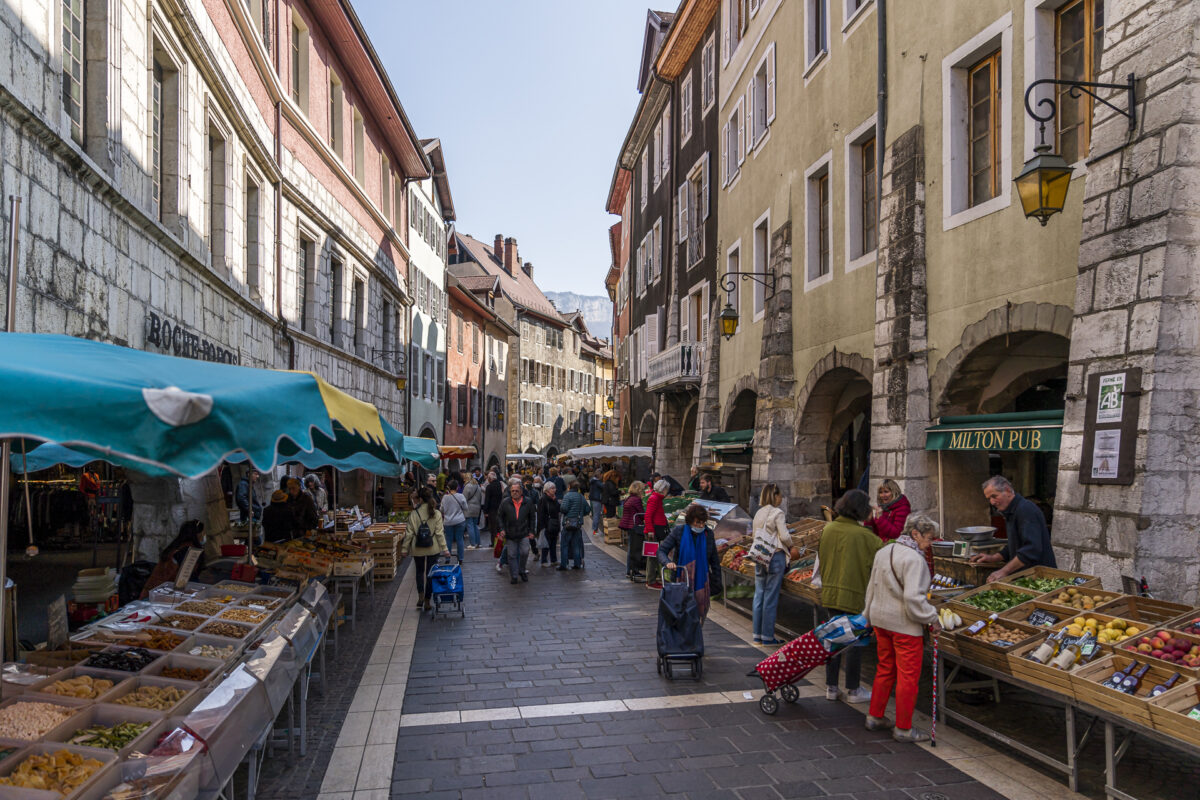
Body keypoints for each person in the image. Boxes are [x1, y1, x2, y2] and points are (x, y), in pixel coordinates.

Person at [863, 515, 942, 743]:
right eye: (929, 538)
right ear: (915, 534)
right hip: (904, 625)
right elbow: (914, 599)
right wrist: (932, 618)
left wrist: (867, 615)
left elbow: (872, 587)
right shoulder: (915, 560)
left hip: (880, 620)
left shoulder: (884, 551)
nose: (930, 544)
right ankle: (903, 728)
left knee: (885, 668)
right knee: (908, 677)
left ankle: (875, 716)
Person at [816, 489, 882, 703]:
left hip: (831, 592)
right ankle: (853, 689)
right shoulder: (866, 537)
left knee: (833, 638)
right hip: (855, 595)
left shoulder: (828, 529)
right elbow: (882, 560)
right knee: (855, 641)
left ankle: (831, 687)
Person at [969, 475, 1056, 581]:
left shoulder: (1025, 510)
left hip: (1041, 579)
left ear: (1008, 490)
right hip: (1026, 578)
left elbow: (1031, 549)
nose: (992, 502)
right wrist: (994, 558)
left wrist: (1003, 571)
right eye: (989, 499)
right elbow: (1015, 545)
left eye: (994, 496)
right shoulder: (1011, 511)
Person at [658, 504, 722, 621]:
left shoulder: (708, 534)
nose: (701, 526)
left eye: (703, 523)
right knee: (681, 617)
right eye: (697, 523)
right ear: (690, 521)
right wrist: (667, 562)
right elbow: (662, 550)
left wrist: (717, 582)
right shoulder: (679, 531)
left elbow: (714, 560)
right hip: (680, 583)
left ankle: (694, 636)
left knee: (698, 617)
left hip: (702, 583)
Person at [752, 483, 793, 646]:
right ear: (774, 496)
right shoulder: (778, 513)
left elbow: (755, 534)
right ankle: (768, 637)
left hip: (759, 556)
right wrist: (791, 544)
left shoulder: (759, 512)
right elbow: (784, 536)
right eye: (780, 495)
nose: (781, 498)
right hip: (775, 556)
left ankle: (757, 635)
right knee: (770, 597)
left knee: (759, 595)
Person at [401, 487, 449, 611]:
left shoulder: (414, 513)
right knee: (430, 573)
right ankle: (428, 600)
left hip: (417, 548)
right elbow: (439, 533)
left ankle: (420, 597)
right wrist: (445, 548)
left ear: (420, 499)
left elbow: (409, 533)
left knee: (419, 572)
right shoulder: (436, 513)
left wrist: (404, 549)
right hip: (433, 548)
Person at [140, 520, 207, 598]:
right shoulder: (189, 551)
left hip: (154, 590)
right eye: (203, 533)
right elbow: (184, 580)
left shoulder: (176, 546)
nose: (204, 536)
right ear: (197, 534)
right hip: (164, 594)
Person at [496, 478, 537, 584]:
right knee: (512, 555)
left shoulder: (528, 502)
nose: (515, 493)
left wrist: (532, 531)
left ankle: (522, 570)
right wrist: (502, 529)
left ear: (521, 492)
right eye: (513, 491)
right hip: (510, 533)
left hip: (524, 532)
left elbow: (532, 517)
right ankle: (514, 575)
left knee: (524, 552)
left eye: (517, 491)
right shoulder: (505, 502)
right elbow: (499, 517)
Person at [558, 478, 589, 570]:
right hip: (577, 524)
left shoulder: (567, 496)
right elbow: (588, 509)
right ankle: (577, 564)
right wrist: (580, 514)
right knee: (576, 544)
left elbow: (563, 509)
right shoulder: (581, 496)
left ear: (569, 487)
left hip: (568, 523)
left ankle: (564, 565)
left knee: (564, 545)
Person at [620, 481, 647, 580]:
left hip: (629, 526)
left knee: (631, 549)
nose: (643, 491)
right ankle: (634, 571)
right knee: (635, 550)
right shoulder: (636, 500)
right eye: (642, 489)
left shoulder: (629, 498)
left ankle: (629, 570)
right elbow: (641, 513)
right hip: (635, 527)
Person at [440, 479, 468, 561]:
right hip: (460, 520)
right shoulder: (461, 496)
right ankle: (461, 558)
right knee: (460, 539)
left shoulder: (445, 498)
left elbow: (441, 509)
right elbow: (466, 508)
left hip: (448, 521)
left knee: (448, 539)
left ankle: (447, 558)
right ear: (457, 487)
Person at [537, 482, 561, 567]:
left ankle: (554, 560)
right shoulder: (543, 499)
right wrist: (542, 527)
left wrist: (556, 501)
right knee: (546, 543)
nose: (554, 490)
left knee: (553, 543)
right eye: (552, 488)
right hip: (546, 524)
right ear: (547, 490)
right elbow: (540, 514)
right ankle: (544, 561)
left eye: (555, 488)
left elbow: (558, 510)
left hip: (554, 524)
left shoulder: (554, 498)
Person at [462, 474, 483, 550]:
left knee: (470, 526)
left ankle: (472, 544)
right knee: (475, 525)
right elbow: (481, 497)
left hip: (469, 508)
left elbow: (464, 499)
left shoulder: (467, 486)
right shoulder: (477, 486)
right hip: (477, 508)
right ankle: (478, 543)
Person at [483, 470, 504, 546]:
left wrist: (485, 511)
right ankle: (501, 541)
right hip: (500, 508)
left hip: (492, 510)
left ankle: (494, 543)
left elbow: (487, 500)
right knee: (499, 526)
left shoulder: (489, 487)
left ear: (490, 478)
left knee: (493, 527)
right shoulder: (500, 484)